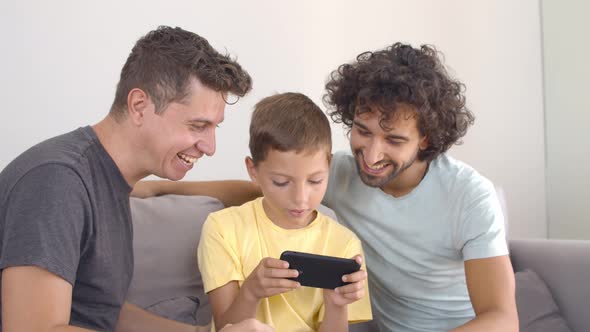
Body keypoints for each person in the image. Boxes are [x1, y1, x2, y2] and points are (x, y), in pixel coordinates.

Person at [132, 43, 518, 332]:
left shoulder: (469, 196)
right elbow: (259, 188)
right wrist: (154, 189)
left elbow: (502, 318)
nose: (371, 153)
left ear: (427, 140)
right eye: (362, 131)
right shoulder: (342, 175)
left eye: (394, 140)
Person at [0, 26, 274, 332]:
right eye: (198, 126)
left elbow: (102, 312)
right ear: (139, 106)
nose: (210, 148)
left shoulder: (110, 182)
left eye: (214, 129)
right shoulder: (56, 181)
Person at [198, 92, 372, 332]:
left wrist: (336, 305)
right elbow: (225, 328)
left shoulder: (344, 244)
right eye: (281, 182)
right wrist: (251, 292)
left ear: (329, 167)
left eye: (315, 181)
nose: (300, 198)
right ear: (253, 171)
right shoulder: (222, 228)